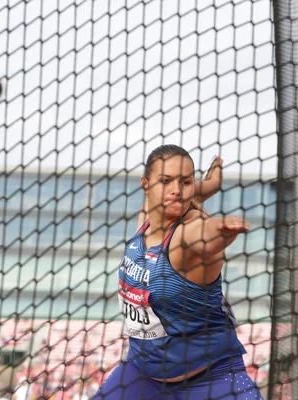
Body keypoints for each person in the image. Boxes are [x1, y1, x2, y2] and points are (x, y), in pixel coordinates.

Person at [93, 145, 263, 399]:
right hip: (142, 377)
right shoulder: (147, 218)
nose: (176, 190)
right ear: (146, 185)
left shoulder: (187, 234)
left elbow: (203, 235)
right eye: (166, 181)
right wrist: (213, 183)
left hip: (211, 381)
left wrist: (222, 230)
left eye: (185, 182)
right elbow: (197, 190)